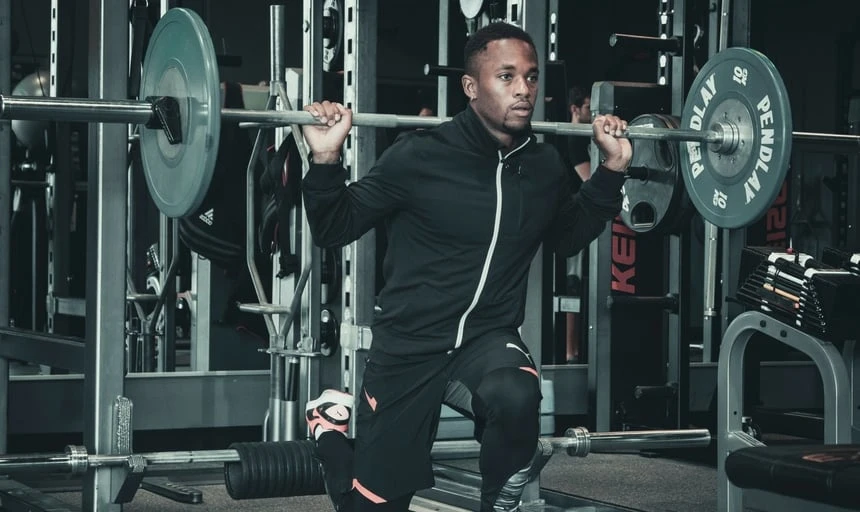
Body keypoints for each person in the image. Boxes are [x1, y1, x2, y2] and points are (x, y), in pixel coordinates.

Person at [300, 22, 631, 512]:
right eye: (507, 76)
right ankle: (332, 431)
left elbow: (566, 238)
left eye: (532, 77)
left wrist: (612, 170)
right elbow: (334, 227)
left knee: (517, 396)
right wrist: (325, 158)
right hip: (410, 345)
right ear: (471, 87)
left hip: (485, 338)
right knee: (370, 506)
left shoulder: (542, 167)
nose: (524, 90)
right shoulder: (418, 156)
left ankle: (499, 503)